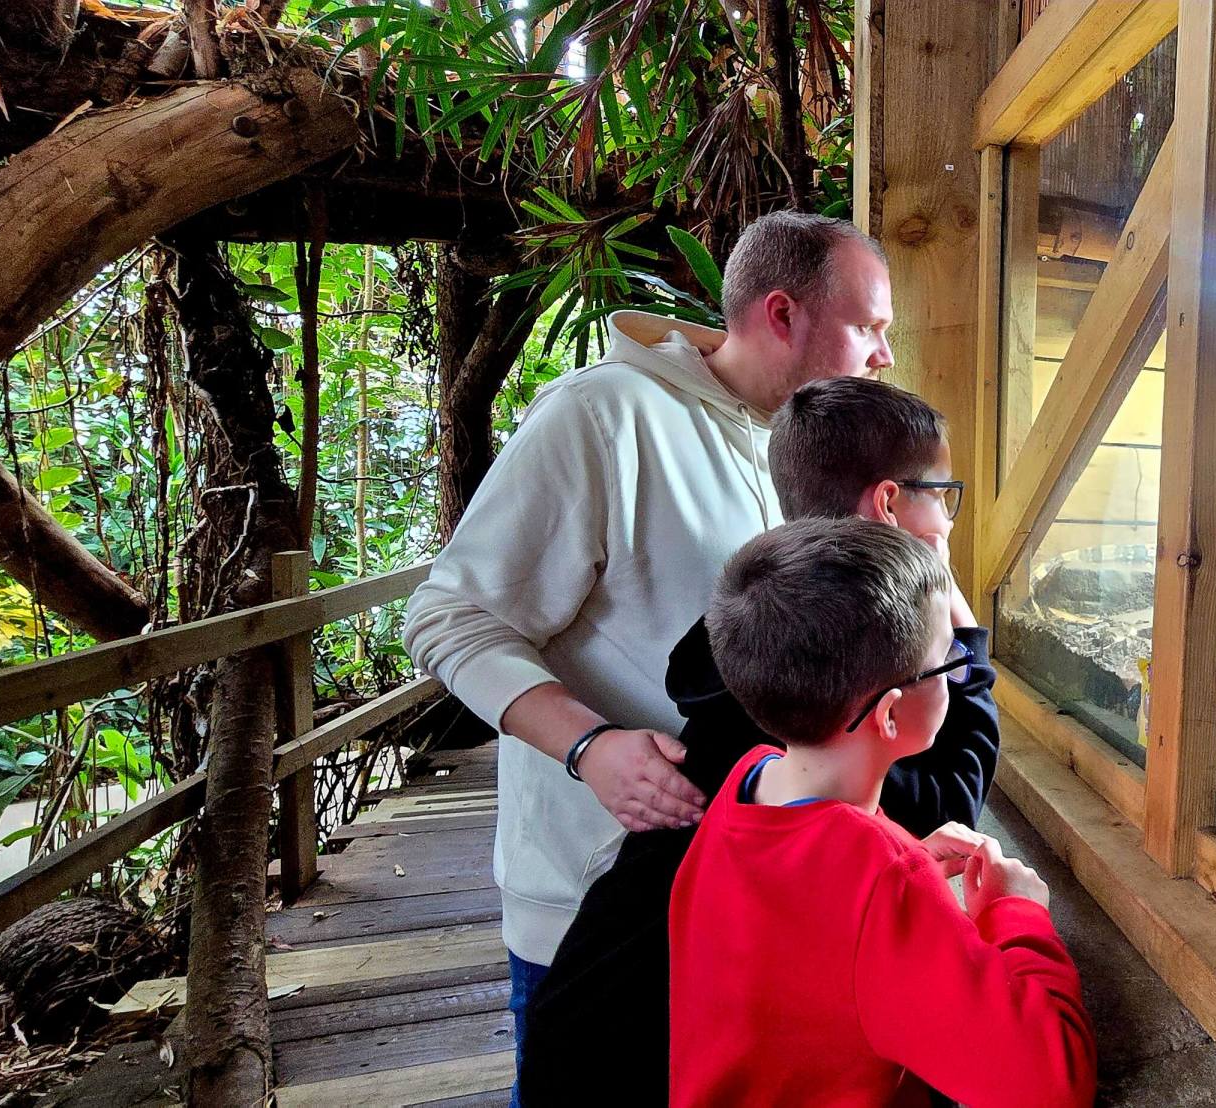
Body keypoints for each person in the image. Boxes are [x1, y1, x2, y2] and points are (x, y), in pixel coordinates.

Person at [400, 212, 894, 1090]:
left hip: (738, 890)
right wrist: (589, 746)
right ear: (781, 315)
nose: (883, 356)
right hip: (595, 890)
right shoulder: (603, 415)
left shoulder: (797, 447)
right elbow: (449, 616)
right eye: (869, 328)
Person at [518, 377, 999, 1104]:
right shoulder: (829, 699)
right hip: (636, 1058)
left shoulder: (759, 633)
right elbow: (944, 799)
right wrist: (962, 641)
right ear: (892, 503)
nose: (950, 515)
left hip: (591, 1019)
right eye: (944, 492)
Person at [669, 518, 1095, 1107]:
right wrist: (1016, 914)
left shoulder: (748, 781)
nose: (959, 672)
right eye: (948, 663)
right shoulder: (880, 879)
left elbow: (803, 930)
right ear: (891, 716)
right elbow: (1049, 1084)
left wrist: (907, 855)